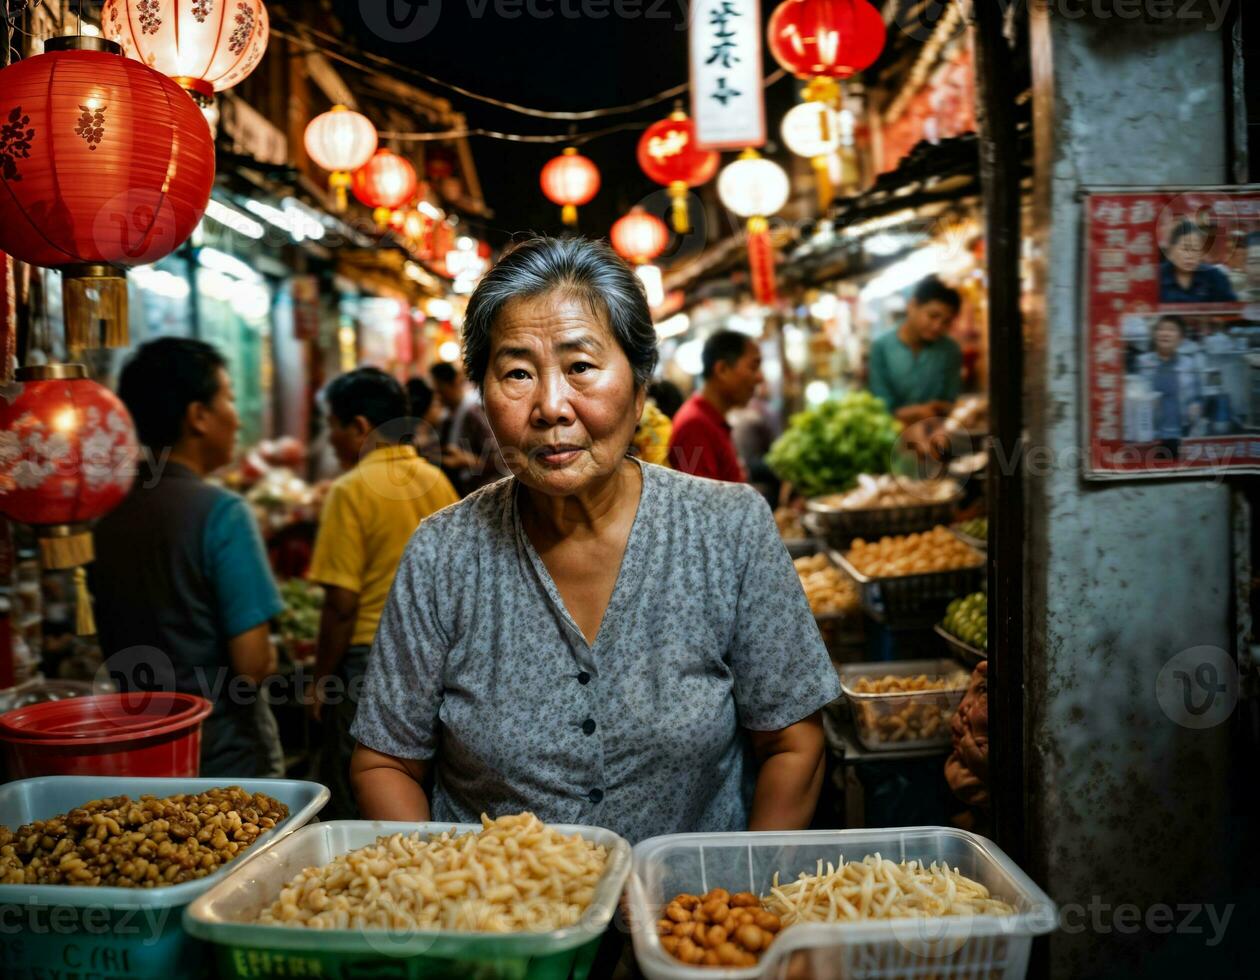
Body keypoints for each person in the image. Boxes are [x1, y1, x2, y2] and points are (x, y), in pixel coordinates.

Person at [349, 237, 839, 844]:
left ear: (639, 391)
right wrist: (450, 902)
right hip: (500, 930)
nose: (551, 406)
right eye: (518, 374)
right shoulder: (443, 554)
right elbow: (385, 762)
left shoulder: (729, 529)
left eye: (581, 367)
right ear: (484, 398)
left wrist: (738, 902)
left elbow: (793, 740)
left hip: (685, 921)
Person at [92, 338, 284, 778]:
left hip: (138, 749)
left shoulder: (109, 517)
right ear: (198, 416)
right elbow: (252, 664)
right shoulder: (222, 513)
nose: (236, 419)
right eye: (230, 400)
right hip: (221, 753)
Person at [306, 368, 458, 819]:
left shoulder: (350, 491)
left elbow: (341, 604)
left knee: (360, 792)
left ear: (357, 427)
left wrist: (319, 680)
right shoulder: (439, 482)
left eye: (331, 425)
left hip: (365, 662)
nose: (329, 439)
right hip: (439, 657)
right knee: (421, 783)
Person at [667, 330, 764, 482]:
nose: (760, 378)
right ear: (722, 370)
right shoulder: (694, 426)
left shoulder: (709, 419)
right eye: (753, 367)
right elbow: (695, 500)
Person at [867, 275, 963, 426]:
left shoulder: (950, 350)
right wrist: (918, 411)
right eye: (933, 316)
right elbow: (880, 405)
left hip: (937, 436)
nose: (938, 326)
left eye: (946, 322)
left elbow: (950, 402)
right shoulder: (881, 347)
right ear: (912, 306)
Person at [431, 360, 504, 496]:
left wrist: (465, 460)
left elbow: (499, 459)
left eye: (440, 390)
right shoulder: (447, 415)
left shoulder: (472, 412)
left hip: (484, 493)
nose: (438, 397)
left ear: (454, 383)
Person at [1137, 315, 1204, 459]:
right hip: (1150, 435)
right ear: (1154, 334)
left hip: (1182, 434)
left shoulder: (1189, 364)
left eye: (1171, 329)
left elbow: (1199, 397)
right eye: (1161, 329)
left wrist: (1196, 405)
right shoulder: (1142, 362)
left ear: (1180, 338)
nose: (1165, 333)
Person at [1159, 219, 1238, 304]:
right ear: (1172, 250)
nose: (1190, 255)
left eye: (1196, 249)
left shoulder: (1215, 277)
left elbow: (1232, 308)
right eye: (1185, 248)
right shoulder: (1158, 276)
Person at [405, 376, 443, 464]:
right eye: (436, 404)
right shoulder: (429, 444)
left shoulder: (407, 441)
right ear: (426, 409)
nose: (440, 408)